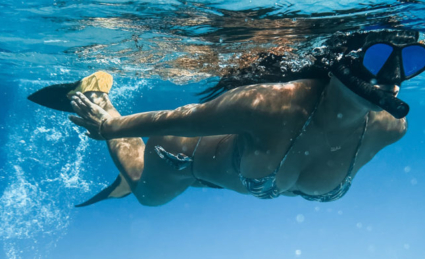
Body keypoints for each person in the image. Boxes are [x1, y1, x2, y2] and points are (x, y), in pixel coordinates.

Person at [56, 30, 425, 207]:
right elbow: (182, 118)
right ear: (341, 64)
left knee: (213, 177)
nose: (394, 77)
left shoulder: (390, 128)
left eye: (412, 61)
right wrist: (109, 126)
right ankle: (96, 91)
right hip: (180, 155)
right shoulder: (273, 105)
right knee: (147, 195)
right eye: (378, 58)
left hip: (229, 169)